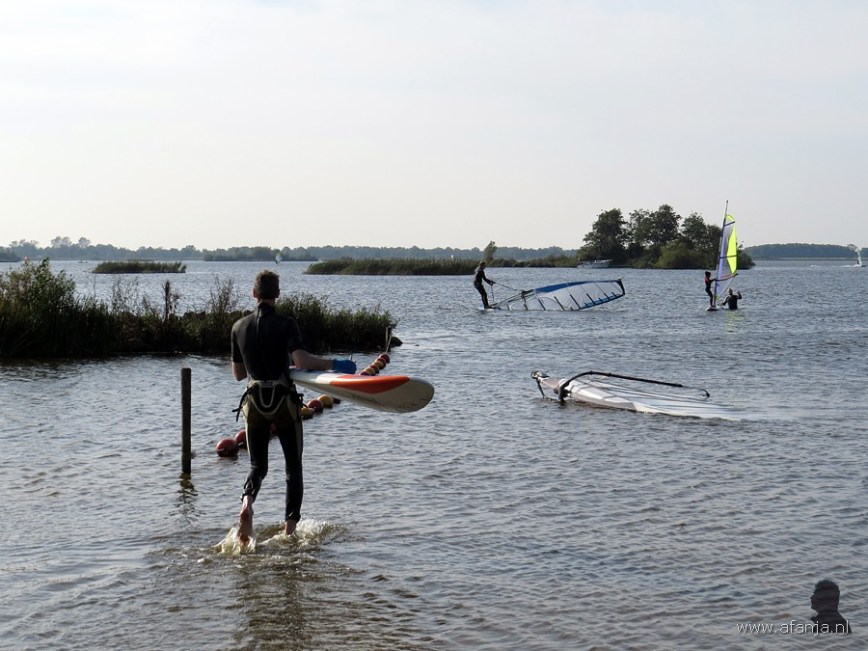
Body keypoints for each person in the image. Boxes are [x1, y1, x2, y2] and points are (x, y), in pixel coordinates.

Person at [230, 269, 356, 544]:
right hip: (283, 401)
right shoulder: (287, 324)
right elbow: (301, 362)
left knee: (257, 466)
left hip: (254, 404)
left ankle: (246, 505)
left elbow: (238, 374)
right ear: (278, 294)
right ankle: (289, 532)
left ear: (254, 294)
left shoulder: (238, 327)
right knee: (293, 467)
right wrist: (333, 364)